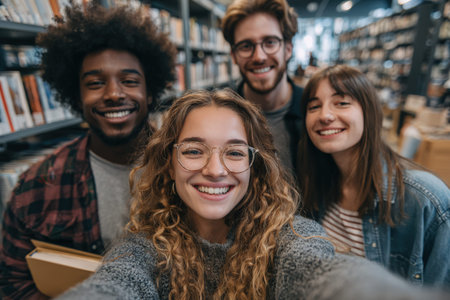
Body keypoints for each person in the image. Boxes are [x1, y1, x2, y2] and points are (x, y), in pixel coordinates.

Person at [57, 89, 446, 299]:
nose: (214, 168)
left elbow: (325, 275)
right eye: (193, 150)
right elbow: (116, 283)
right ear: (169, 162)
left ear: (256, 165)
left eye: (234, 152)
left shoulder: (291, 237)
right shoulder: (144, 243)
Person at [0, 3, 176, 299]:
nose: (113, 94)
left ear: (150, 90)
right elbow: (13, 283)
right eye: (95, 83)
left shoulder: (192, 170)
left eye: (130, 81)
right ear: (75, 94)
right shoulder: (37, 187)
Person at [297, 65, 450, 286]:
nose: (325, 115)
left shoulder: (426, 200)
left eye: (342, 103)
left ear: (368, 112)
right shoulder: (315, 183)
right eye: (314, 106)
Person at [221, 0, 303, 173]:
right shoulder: (219, 116)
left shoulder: (314, 111)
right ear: (234, 56)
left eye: (270, 42)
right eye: (246, 46)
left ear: (288, 49)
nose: (259, 56)